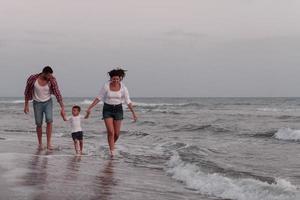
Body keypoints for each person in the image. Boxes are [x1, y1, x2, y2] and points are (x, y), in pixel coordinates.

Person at [86, 68, 137, 157]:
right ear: (111, 78)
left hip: (118, 109)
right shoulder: (106, 86)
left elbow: (128, 101)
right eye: (114, 79)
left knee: (117, 134)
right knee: (110, 132)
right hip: (107, 109)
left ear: (120, 78)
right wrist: (90, 107)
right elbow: (99, 97)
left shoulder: (124, 88)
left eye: (117, 79)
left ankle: (111, 145)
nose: (115, 80)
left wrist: (133, 113)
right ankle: (112, 152)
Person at [24, 66, 65, 150]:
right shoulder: (32, 78)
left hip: (48, 102)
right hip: (37, 103)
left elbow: (57, 93)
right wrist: (26, 105)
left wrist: (62, 107)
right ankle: (40, 144)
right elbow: (27, 91)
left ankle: (49, 143)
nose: (50, 77)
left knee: (49, 120)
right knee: (39, 123)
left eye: (51, 75)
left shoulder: (52, 80)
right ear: (44, 73)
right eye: (49, 75)